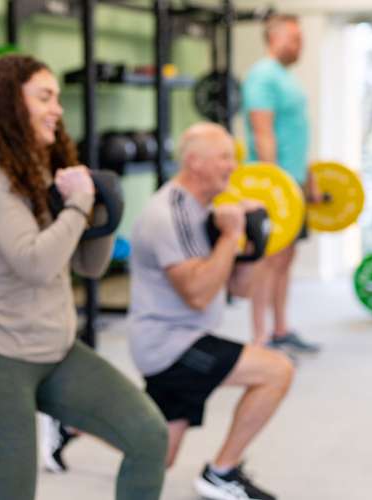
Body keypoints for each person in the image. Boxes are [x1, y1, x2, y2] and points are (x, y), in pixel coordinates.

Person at [0, 53, 168, 500]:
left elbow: (88, 266)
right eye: (45, 97)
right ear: (12, 104)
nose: (58, 108)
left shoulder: (43, 170)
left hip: (58, 353)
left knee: (149, 436)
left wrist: (104, 212)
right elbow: (34, 263)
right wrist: (78, 206)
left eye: (57, 97)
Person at [129, 123, 295, 500]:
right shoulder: (169, 214)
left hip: (187, 338)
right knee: (277, 371)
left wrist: (254, 241)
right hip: (171, 345)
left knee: (159, 456)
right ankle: (221, 473)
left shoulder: (208, 209)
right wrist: (231, 236)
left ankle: (70, 425)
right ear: (195, 162)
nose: (233, 166)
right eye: (224, 157)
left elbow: (241, 288)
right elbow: (198, 295)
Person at [242, 13, 321, 352]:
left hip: (293, 183)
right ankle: (260, 337)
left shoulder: (288, 78)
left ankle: (281, 329)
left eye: (301, 39)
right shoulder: (262, 76)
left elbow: (297, 134)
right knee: (267, 260)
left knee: (285, 258)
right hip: (274, 189)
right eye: (294, 38)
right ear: (274, 38)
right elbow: (263, 135)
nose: (299, 45)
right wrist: (274, 189)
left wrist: (308, 180)